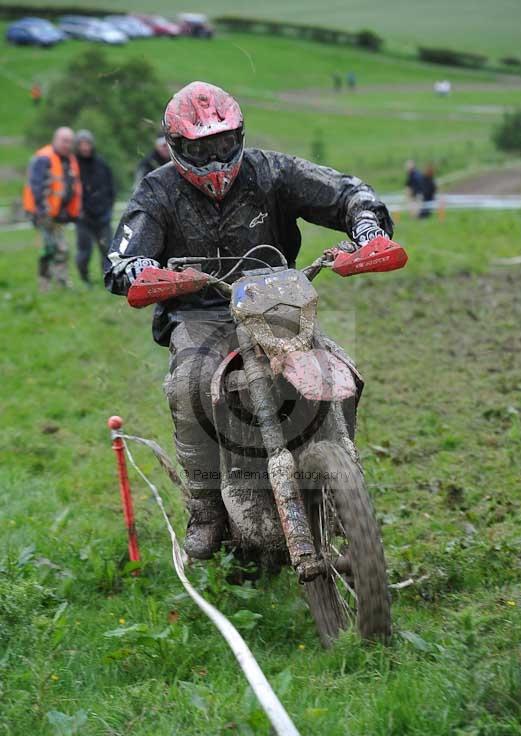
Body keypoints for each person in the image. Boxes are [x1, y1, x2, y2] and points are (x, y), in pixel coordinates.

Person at [106, 81, 393, 559]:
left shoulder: (272, 171)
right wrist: (138, 268)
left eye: (223, 143)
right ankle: (205, 508)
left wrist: (365, 226)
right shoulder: (156, 191)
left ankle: (340, 477)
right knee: (188, 383)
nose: (215, 159)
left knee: (336, 369)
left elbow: (347, 192)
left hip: (276, 297)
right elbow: (121, 258)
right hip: (200, 308)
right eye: (201, 148)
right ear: (176, 146)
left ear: (239, 135)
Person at [23, 127, 81, 291]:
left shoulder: (68, 160)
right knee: (50, 249)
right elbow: (36, 185)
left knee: (60, 249)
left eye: (70, 141)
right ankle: (46, 285)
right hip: (43, 214)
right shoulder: (43, 158)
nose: (67, 144)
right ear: (55, 139)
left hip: (58, 214)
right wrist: (41, 211)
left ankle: (60, 283)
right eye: (64, 140)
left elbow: (71, 187)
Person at [74, 130, 115, 285]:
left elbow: (110, 187)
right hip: (83, 218)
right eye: (82, 144)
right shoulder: (74, 165)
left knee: (107, 251)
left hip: (102, 216)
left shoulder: (101, 164)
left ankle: (108, 279)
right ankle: (85, 279)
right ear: (77, 146)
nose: (85, 147)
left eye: (88, 144)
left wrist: (108, 208)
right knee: (84, 252)